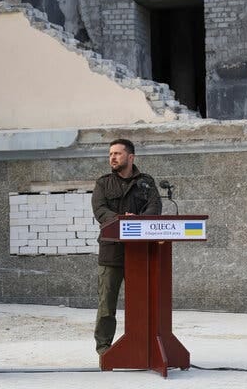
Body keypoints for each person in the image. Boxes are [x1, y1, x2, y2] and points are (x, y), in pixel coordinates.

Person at [91, 138, 162, 355]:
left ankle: (141, 346)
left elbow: (155, 207)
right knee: (106, 306)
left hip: (139, 253)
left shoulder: (146, 182)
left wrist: (137, 221)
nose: (112, 157)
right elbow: (100, 211)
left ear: (130, 157)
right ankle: (105, 350)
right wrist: (123, 220)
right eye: (110, 154)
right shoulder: (103, 183)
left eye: (117, 154)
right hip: (111, 252)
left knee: (141, 303)